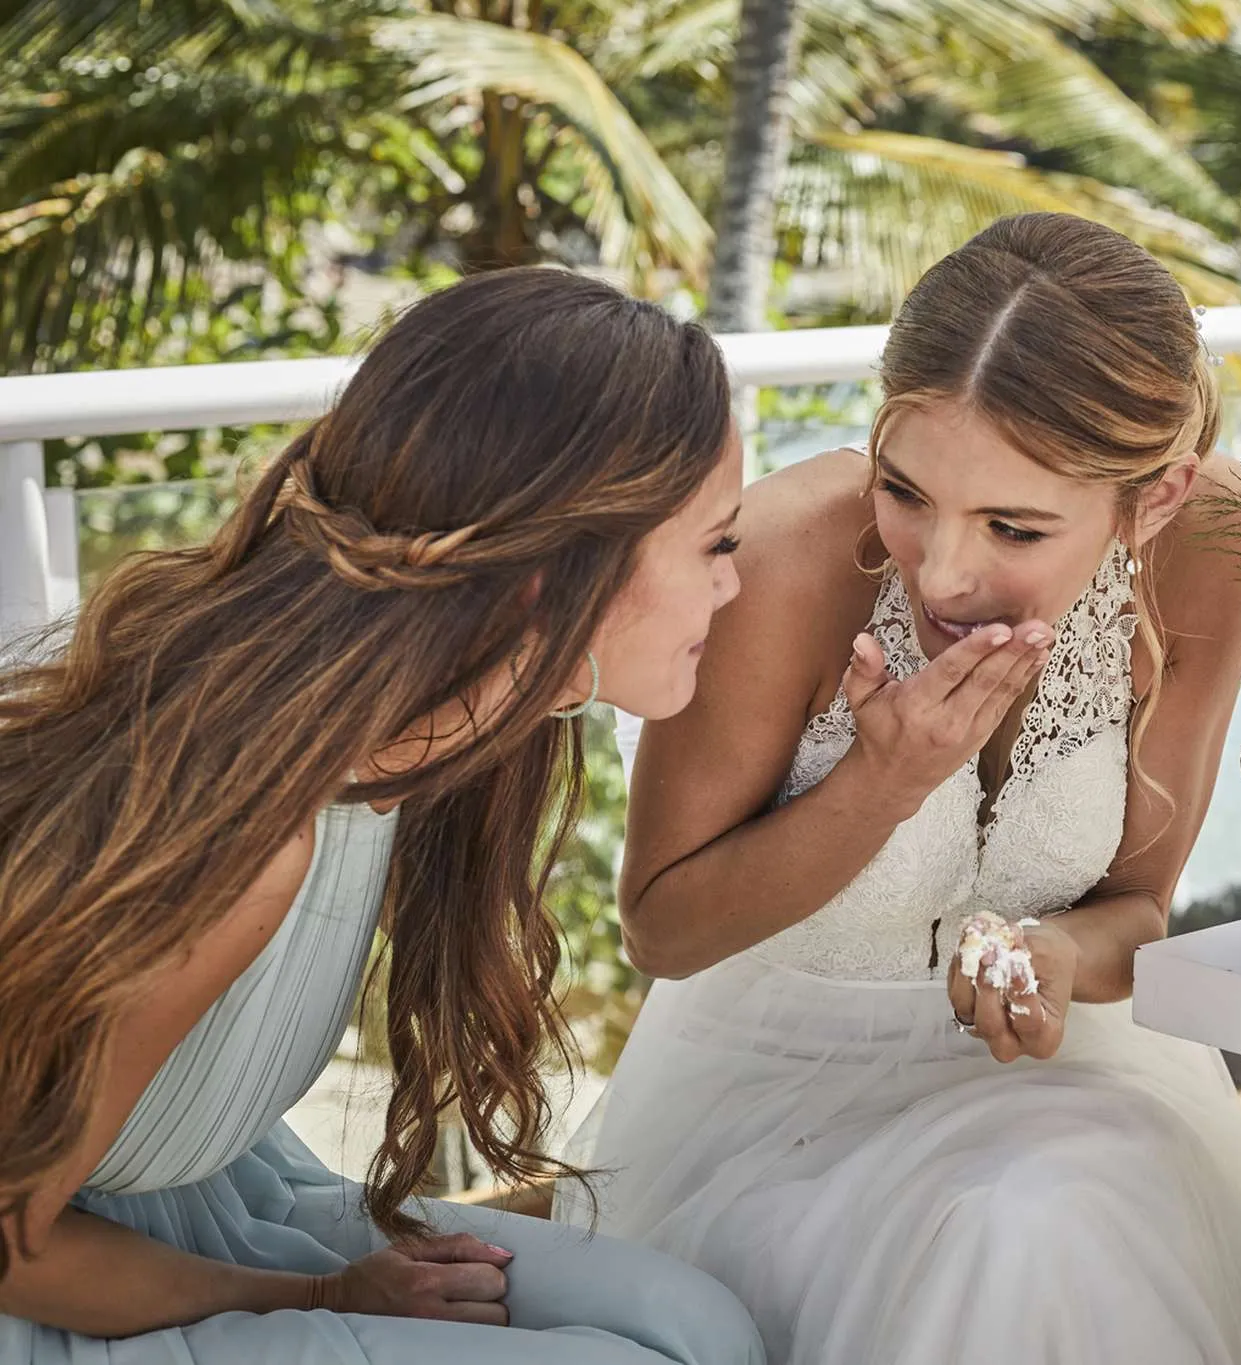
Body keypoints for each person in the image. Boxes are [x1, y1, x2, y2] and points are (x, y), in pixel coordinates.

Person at [568, 214, 1241, 1364]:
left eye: (1013, 526)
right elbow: (662, 931)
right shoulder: (784, 558)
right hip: (775, 1107)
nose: (940, 570)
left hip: (1068, 1079)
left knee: (1045, 1212)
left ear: (1155, 500)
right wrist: (881, 783)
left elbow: (1139, 907)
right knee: (1025, 1229)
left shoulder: (1208, 544)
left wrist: (1063, 959)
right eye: (904, 490)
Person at [0, 268, 766, 1365]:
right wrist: (314, 1294)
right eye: (717, 545)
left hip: (191, 1195)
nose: (732, 588)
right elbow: (15, 1242)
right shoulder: (248, 839)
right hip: (61, 1285)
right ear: (559, 580)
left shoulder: (458, 731)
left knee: (697, 1330)